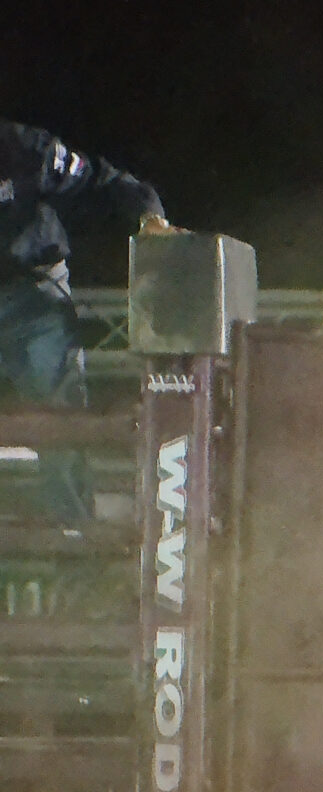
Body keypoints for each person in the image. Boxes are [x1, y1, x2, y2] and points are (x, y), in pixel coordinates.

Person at [0, 122, 175, 516]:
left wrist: (149, 217)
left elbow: (100, 178)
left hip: (31, 293)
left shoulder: (23, 150)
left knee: (60, 416)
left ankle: (72, 533)